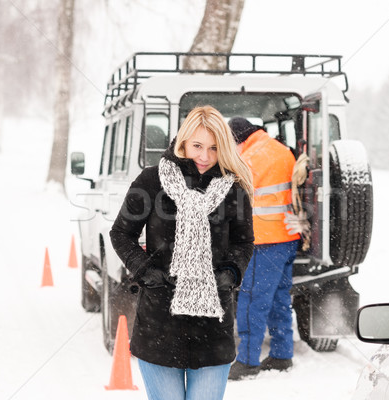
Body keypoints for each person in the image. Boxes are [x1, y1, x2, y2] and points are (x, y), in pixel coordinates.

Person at [109, 106, 254, 400]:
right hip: (160, 322)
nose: (204, 156)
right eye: (197, 146)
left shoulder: (233, 189)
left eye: (214, 148)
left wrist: (230, 273)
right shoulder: (151, 181)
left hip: (213, 325)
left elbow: (243, 242)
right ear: (183, 142)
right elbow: (121, 234)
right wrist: (147, 272)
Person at [227, 117, 300, 380]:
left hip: (263, 240)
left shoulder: (247, 158)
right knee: (280, 298)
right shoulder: (284, 151)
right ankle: (281, 354)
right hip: (288, 238)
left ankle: (247, 361)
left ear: (239, 139)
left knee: (252, 300)